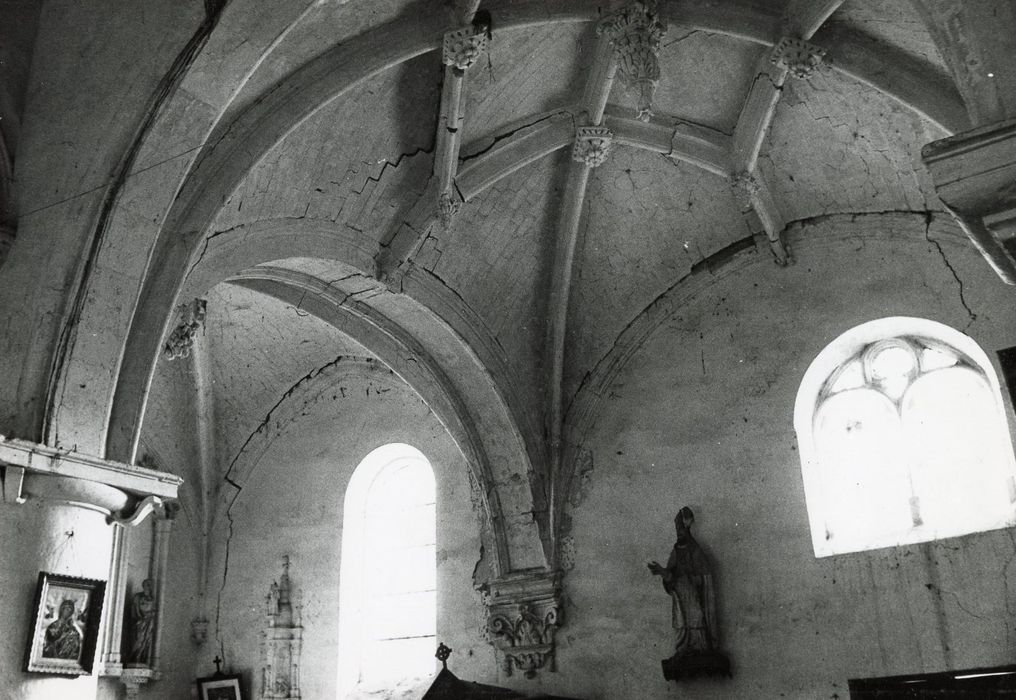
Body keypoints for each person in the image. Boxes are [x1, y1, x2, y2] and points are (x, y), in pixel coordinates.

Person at [647, 506, 718, 655]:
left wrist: (692, 578)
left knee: (696, 620)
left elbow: (704, 578)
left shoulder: (695, 550)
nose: (679, 534)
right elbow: (670, 576)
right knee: (681, 623)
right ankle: (684, 648)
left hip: (692, 595)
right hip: (680, 596)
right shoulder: (676, 551)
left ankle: (701, 649)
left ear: (687, 531)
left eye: (681, 530)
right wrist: (662, 571)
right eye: (677, 531)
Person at [128, 579, 157, 664]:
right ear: (143, 586)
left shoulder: (152, 598)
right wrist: (141, 617)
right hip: (140, 621)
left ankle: (141, 658)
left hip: (149, 621)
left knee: (146, 640)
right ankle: (134, 658)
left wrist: (150, 614)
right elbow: (135, 609)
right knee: (139, 640)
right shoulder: (138, 596)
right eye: (147, 585)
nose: (149, 587)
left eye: (150, 585)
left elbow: (154, 610)